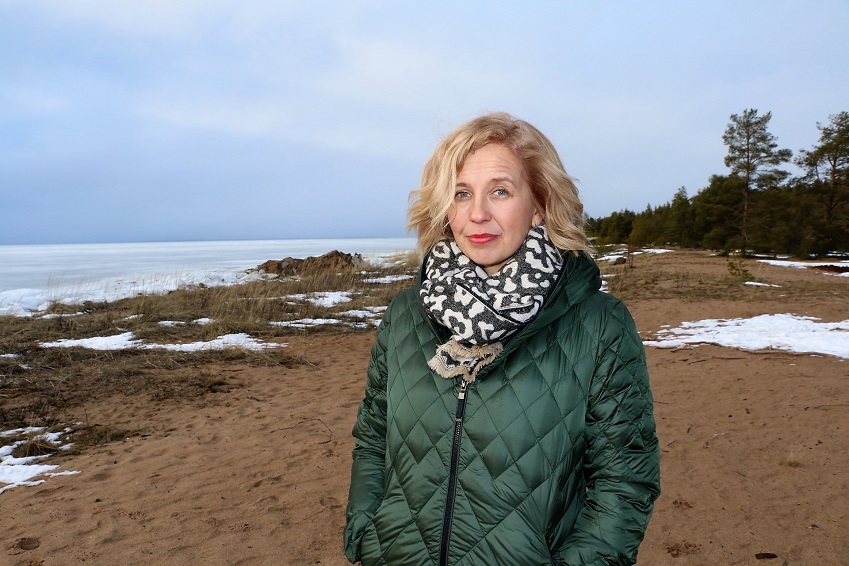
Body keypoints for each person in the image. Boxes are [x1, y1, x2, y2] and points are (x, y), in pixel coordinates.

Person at [344, 112, 660, 565]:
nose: (477, 213)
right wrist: (365, 532)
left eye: (500, 191)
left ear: (540, 205)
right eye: (461, 193)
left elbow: (625, 481)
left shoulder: (599, 324)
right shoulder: (405, 314)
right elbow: (374, 438)